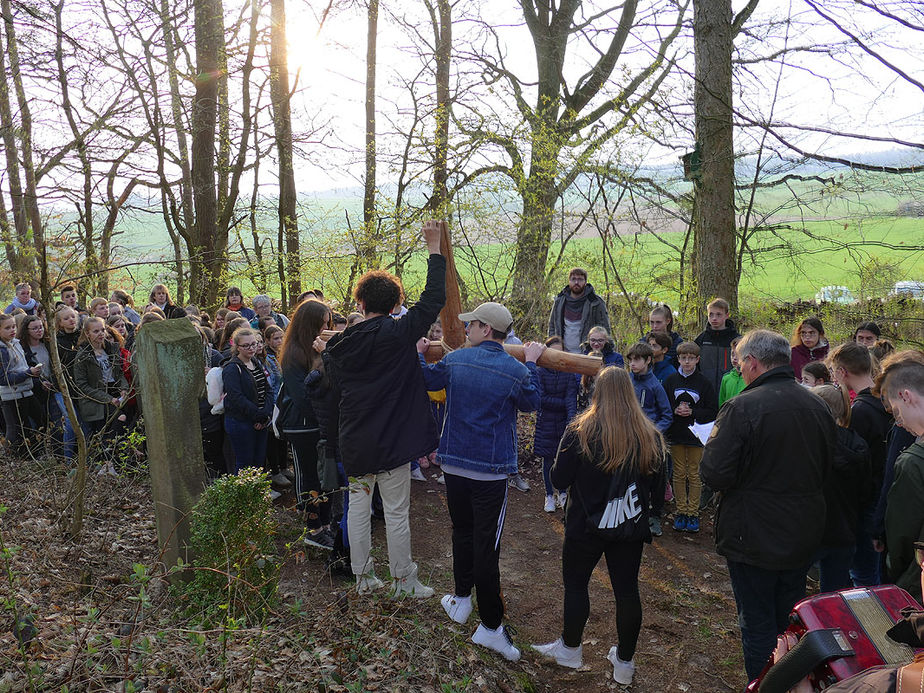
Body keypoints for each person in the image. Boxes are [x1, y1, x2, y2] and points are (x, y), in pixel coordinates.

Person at [700, 329, 834, 683]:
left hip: (752, 535)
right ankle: (790, 683)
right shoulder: (817, 404)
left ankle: (764, 685)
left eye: (741, 363)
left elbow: (714, 473)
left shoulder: (742, 407)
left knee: (758, 623)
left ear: (752, 363)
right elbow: (829, 466)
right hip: (803, 532)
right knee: (787, 618)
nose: (740, 370)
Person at [320, 220, 445, 598]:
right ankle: (403, 581)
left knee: (357, 509)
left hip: (356, 439)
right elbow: (433, 298)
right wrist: (434, 247)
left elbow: (337, 386)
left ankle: (363, 580)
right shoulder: (399, 332)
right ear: (394, 304)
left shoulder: (337, 347)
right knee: (395, 512)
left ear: (359, 303)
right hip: (392, 439)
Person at [418, 301, 544, 662]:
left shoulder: (456, 360)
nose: (466, 329)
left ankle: (461, 599)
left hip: (454, 465)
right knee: (486, 548)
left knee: (463, 531)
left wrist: (417, 354)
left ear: (486, 329)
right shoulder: (513, 368)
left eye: (471, 324)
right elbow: (531, 402)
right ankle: (489, 626)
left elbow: (427, 379)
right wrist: (532, 362)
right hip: (489, 472)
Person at [532, 366, 665, 686]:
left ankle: (570, 649)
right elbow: (659, 488)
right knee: (627, 591)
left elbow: (558, 479)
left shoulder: (580, 430)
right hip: (628, 527)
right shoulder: (649, 434)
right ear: (630, 393)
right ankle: (624, 664)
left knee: (577, 586)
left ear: (597, 393)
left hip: (584, 526)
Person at [829, 341, 893, 587]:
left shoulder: (860, 412)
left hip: (867, 502)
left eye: (835, 371)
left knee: (864, 575)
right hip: (884, 495)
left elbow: (854, 464)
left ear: (842, 372)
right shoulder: (885, 402)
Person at [278, 301, 332, 550]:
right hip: (301, 426)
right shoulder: (292, 354)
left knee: (325, 477)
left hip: (321, 423)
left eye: (328, 322)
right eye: (322, 322)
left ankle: (327, 523)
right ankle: (313, 528)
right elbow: (302, 396)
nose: (325, 326)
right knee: (308, 476)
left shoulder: (317, 348)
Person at [809, 383, 872, 593]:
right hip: (844, 530)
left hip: (809, 532)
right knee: (834, 596)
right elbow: (865, 492)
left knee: (792, 591)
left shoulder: (808, 442)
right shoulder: (858, 444)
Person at [877, 356, 924, 603]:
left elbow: (902, 538)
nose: (899, 421)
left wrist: (897, 576)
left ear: (907, 396)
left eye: (896, 411)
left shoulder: (913, 461)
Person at [662, 341, 717, 533]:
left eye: (691, 358)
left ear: (697, 359)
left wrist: (692, 412)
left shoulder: (704, 383)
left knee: (694, 473)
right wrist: (675, 410)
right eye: (683, 358)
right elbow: (664, 406)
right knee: (678, 473)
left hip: (695, 435)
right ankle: (681, 511)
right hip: (676, 434)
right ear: (678, 359)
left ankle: (693, 513)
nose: (687, 362)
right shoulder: (670, 381)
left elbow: (712, 411)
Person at [72, 316, 129, 462]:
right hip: (96, 398)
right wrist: (108, 399)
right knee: (115, 423)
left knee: (121, 427)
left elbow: (118, 373)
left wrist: (123, 388)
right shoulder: (83, 356)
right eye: (96, 331)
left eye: (102, 330)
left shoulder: (111, 349)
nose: (100, 334)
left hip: (114, 391)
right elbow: (82, 386)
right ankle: (105, 462)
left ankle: (112, 462)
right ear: (87, 333)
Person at [534, 336, 578, 513]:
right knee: (547, 460)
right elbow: (540, 398)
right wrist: (559, 403)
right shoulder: (540, 371)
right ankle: (549, 495)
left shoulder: (569, 373)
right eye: (553, 351)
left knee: (563, 459)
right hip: (546, 421)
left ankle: (562, 493)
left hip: (562, 422)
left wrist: (571, 423)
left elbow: (570, 399)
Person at [221, 327, 273, 472]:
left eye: (254, 344)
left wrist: (265, 415)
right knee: (245, 463)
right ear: (237, 347)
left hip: (261, 420)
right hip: (241, 423)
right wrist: (257, 416)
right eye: (246, 345)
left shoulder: (256, 362)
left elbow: (268, 389)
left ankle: (258, 493)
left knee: (259, 461)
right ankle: (245, 495)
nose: (251, 348)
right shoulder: (232, 369)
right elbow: (236, 398)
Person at [0, 313, 44, 453]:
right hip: (12, 395)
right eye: (7, 328)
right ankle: (13, 458)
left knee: (40, 419)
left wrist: (33, 373)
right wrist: (27, 373)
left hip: (26, 390)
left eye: (13, 326)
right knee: (15, 429)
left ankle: (34, 452)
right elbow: (3, 378)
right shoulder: (2, 350)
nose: (12, 330)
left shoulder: (16, 343)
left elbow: (21, 366)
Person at [548, 268, 611, 354]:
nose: (576, 282)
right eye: (573, 279)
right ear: (569, 281)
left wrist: (606, 351)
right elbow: (552, 326)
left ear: (585, 282)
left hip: (588, 354)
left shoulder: (595, 302)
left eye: (580, 279)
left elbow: (605, 329)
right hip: (563, 354)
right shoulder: (559, 301)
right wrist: (553, 346)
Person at [694, 297, 741, 396]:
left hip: (730, 389)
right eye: (711, 314)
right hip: (705, 390)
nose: (714, 318)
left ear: (727, 315)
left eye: (719, 314)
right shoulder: (702, 339)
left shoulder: (736, 340)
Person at [625, 342, 672, 434]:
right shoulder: (626, 380)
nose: (632, 364)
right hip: (627, 432)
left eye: (637, 360)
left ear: (648, 360)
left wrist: (654, 432)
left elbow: (667, 416)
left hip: (648, 434)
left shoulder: (655, 385)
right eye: (630, 360)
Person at [718, 336, 746, 406]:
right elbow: (722, 403)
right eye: (732, 354)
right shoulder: (726, 378)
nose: (734, 358)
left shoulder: (752, 378)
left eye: (738, 354)